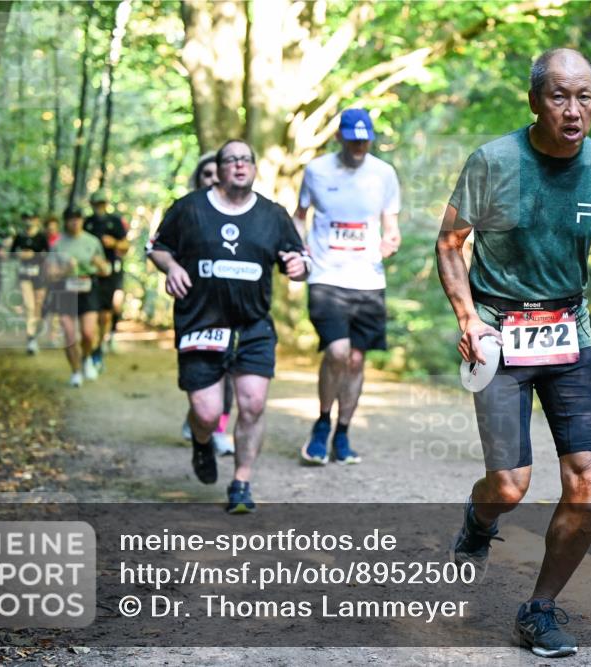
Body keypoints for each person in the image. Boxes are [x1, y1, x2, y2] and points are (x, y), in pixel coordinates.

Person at [435, 48, 591, 658]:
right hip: (500, 332)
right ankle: (480, 519)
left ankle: (540, 608)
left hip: (570, 333)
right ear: (534, 101)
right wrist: (468, 319)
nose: (574, 109)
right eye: (559, 96)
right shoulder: (494, 162)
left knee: (587, 480)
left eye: (585, 96)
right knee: (509, 485)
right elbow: (451, 244)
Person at [148, 139, 309, 513]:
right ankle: (202, 442)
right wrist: (170, 267)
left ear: (254, 168)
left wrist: (300, 267)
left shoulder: (273, 214)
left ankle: (241, 482)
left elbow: (298, 260)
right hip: (200, 322)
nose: (239, 165)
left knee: (252, 405)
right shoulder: (189, 209)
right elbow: (156, 246)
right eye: (230, 160)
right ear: (218, 169)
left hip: (253, 327)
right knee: (206, 413)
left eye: (246, 159)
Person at [294, 108, 401, 465]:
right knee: (337, 352)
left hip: (368, 280)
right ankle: (322, 424)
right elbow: (299, 216)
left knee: (356, 360)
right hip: (326, 276)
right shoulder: (317, 170)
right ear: (339, 137)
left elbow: (391, 224)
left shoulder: (384, 174)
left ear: (371, 138)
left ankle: (342, 432)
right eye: (352, 139)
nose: (358, 146)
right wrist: (298, 253)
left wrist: (391, 240)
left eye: (364, 140)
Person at [178, 151, 235, 456]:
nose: (213, 180)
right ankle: (198, 419)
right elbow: (163, 250)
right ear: (197, 179)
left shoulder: (243, 215)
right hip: (195, 310)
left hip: (231, 307)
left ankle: (220, 430)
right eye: (206, 175)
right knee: (202, 374)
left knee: (228, 370)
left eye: (217, 174)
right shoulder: (185, 212)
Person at [45, 206, 111, 387]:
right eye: (71, 218)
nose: (75, 222)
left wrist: (100, 264)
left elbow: (106, 270)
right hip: (65, 290)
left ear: (82, 220)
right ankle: (75, 372)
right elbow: (49, 274)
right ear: (65, 221)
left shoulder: (92, 241)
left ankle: (87, 358)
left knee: (88, 333)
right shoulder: (58, 244)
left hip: (88, 289)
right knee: (69, 335)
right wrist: (64, 269)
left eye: (78, 218)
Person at [84, 190, 130, 366]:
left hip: (112, 272)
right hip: (90, 273)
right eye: (97, 204)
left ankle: (103, 342)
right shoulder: (87, 223)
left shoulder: (115, 221)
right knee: (90, 312)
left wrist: (114, 243)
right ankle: (92, 347)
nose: (99, 207)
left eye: (102, 204)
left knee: (108, 311)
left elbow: (126, 245)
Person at [10, 212, 50, 354]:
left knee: (38, 308)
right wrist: (20, 255)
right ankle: (30, 338)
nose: (29, 221)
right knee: (29, 306)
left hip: (39, 277)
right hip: (24, 275)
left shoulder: (41, 237)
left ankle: (35, 336)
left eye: (32, 218)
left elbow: (49, 255)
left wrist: (35, 255)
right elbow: (11, 254)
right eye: (26, 218)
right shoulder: (20, 237)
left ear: (37, 220)